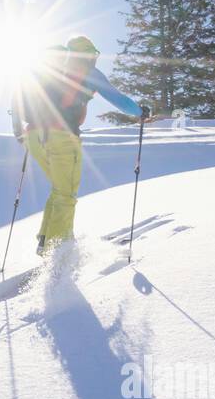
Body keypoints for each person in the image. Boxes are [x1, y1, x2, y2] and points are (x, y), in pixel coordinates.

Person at [15, 35, 144, 255]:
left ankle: (45, 240)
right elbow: (118, 99)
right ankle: (59, 253)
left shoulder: (50, 70)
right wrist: (140, 112)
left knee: (59, 188)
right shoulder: (86, 70)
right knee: (66, 193)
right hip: (62, 135)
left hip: (34, 137)